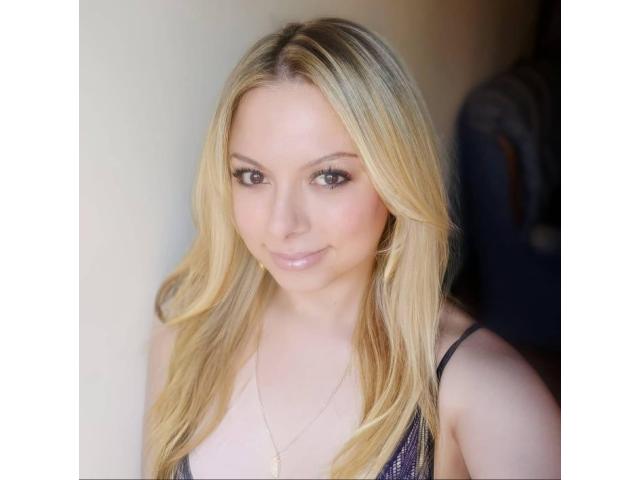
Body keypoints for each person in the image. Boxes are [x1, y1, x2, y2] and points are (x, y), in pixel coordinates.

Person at [142, 17, 560, 479]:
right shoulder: (186, 335)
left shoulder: (485, 391)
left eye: (328, 177)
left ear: (395, 178)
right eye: (253, 176)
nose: (282, 224)